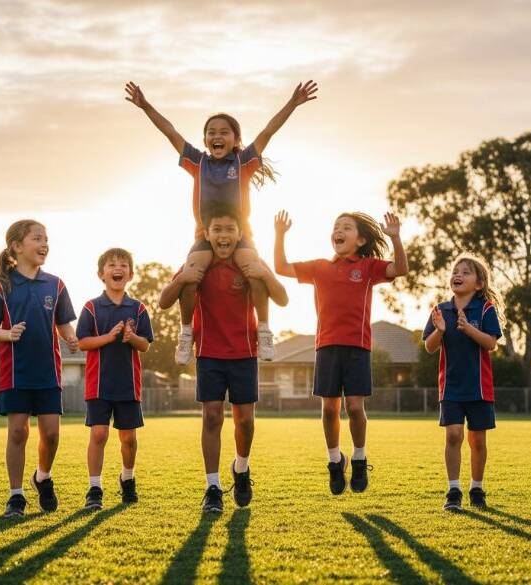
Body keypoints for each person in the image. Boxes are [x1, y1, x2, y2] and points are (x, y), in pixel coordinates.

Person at [126, 80, 317, 364]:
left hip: (242, 235)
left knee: (255, 271)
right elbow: (170, 132)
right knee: (191, 275)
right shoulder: (197, 162)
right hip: (205, 235)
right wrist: (145, 106)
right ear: (205, 141)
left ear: (236, 140)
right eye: (211, 132)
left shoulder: (243, 163)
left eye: (224, 132)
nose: (217, 136)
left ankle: (263, 330)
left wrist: (292, 103)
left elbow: (268, 131)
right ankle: (186, 331)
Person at [160, 202, 288, 513]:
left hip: (244, 353)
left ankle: (241, 469)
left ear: (240, 233)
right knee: (212, 418)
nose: (224, 235)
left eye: (230, 229)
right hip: (209, 354)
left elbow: (282, 298)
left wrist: (266, 275)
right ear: (207, 233)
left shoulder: (249, 263)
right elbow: (165, 302)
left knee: (244, 422)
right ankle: (213, 487)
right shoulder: (198, 264)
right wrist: (180, 278)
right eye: (217, 229)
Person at [274, 209, 407, 495]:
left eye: (346, 227)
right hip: (326, 347)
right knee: (329, 410)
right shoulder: (320, 267)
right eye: (336, 227)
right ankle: (335, 461)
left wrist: (395, 238)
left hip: (358, 348)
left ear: (360, 240)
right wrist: (279, 235)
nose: (339, 231)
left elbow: (400, 269)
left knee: (355, 408)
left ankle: (359, 458)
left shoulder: (368, 267)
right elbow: (281, 267)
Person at [0, 219, 78, 518]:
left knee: (50, 435)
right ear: (16, 246)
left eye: (46, 239)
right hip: (15, 373)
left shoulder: (56, 284)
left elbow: (63, 324)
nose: (44, 244)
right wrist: (7, 334)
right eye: (37, 238)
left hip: (48, 372)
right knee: (18, 433)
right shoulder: (2, 286)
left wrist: (71, 338)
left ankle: (42, 477)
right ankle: (16, 497)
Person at [422, 254, 505, 511]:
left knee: (477, 441)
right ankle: (453, 490)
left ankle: (477, 488)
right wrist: (440, 330)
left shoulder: (486, 309)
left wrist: (468, 328)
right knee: (454, 435)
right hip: (450, 387)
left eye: (466, 272)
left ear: (479, 283)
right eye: (455, 271)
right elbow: (429, 347)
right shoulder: (440, 311)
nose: (458, 275)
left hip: (480, 387)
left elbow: (491, 343)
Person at [76, 248, 153, 510]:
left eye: (122, 265)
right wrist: (109, 337)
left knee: (128, 439)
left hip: (128, 385)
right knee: (98, 434)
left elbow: (146, 346)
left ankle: (127, 478)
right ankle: (94, 489)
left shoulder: (139, 308)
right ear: (101, 274)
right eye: (111, 264)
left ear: (130, 274)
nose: (117, 268)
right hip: (98, 384)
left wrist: (133, 338)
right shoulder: (91, 307)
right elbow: (83, 342)